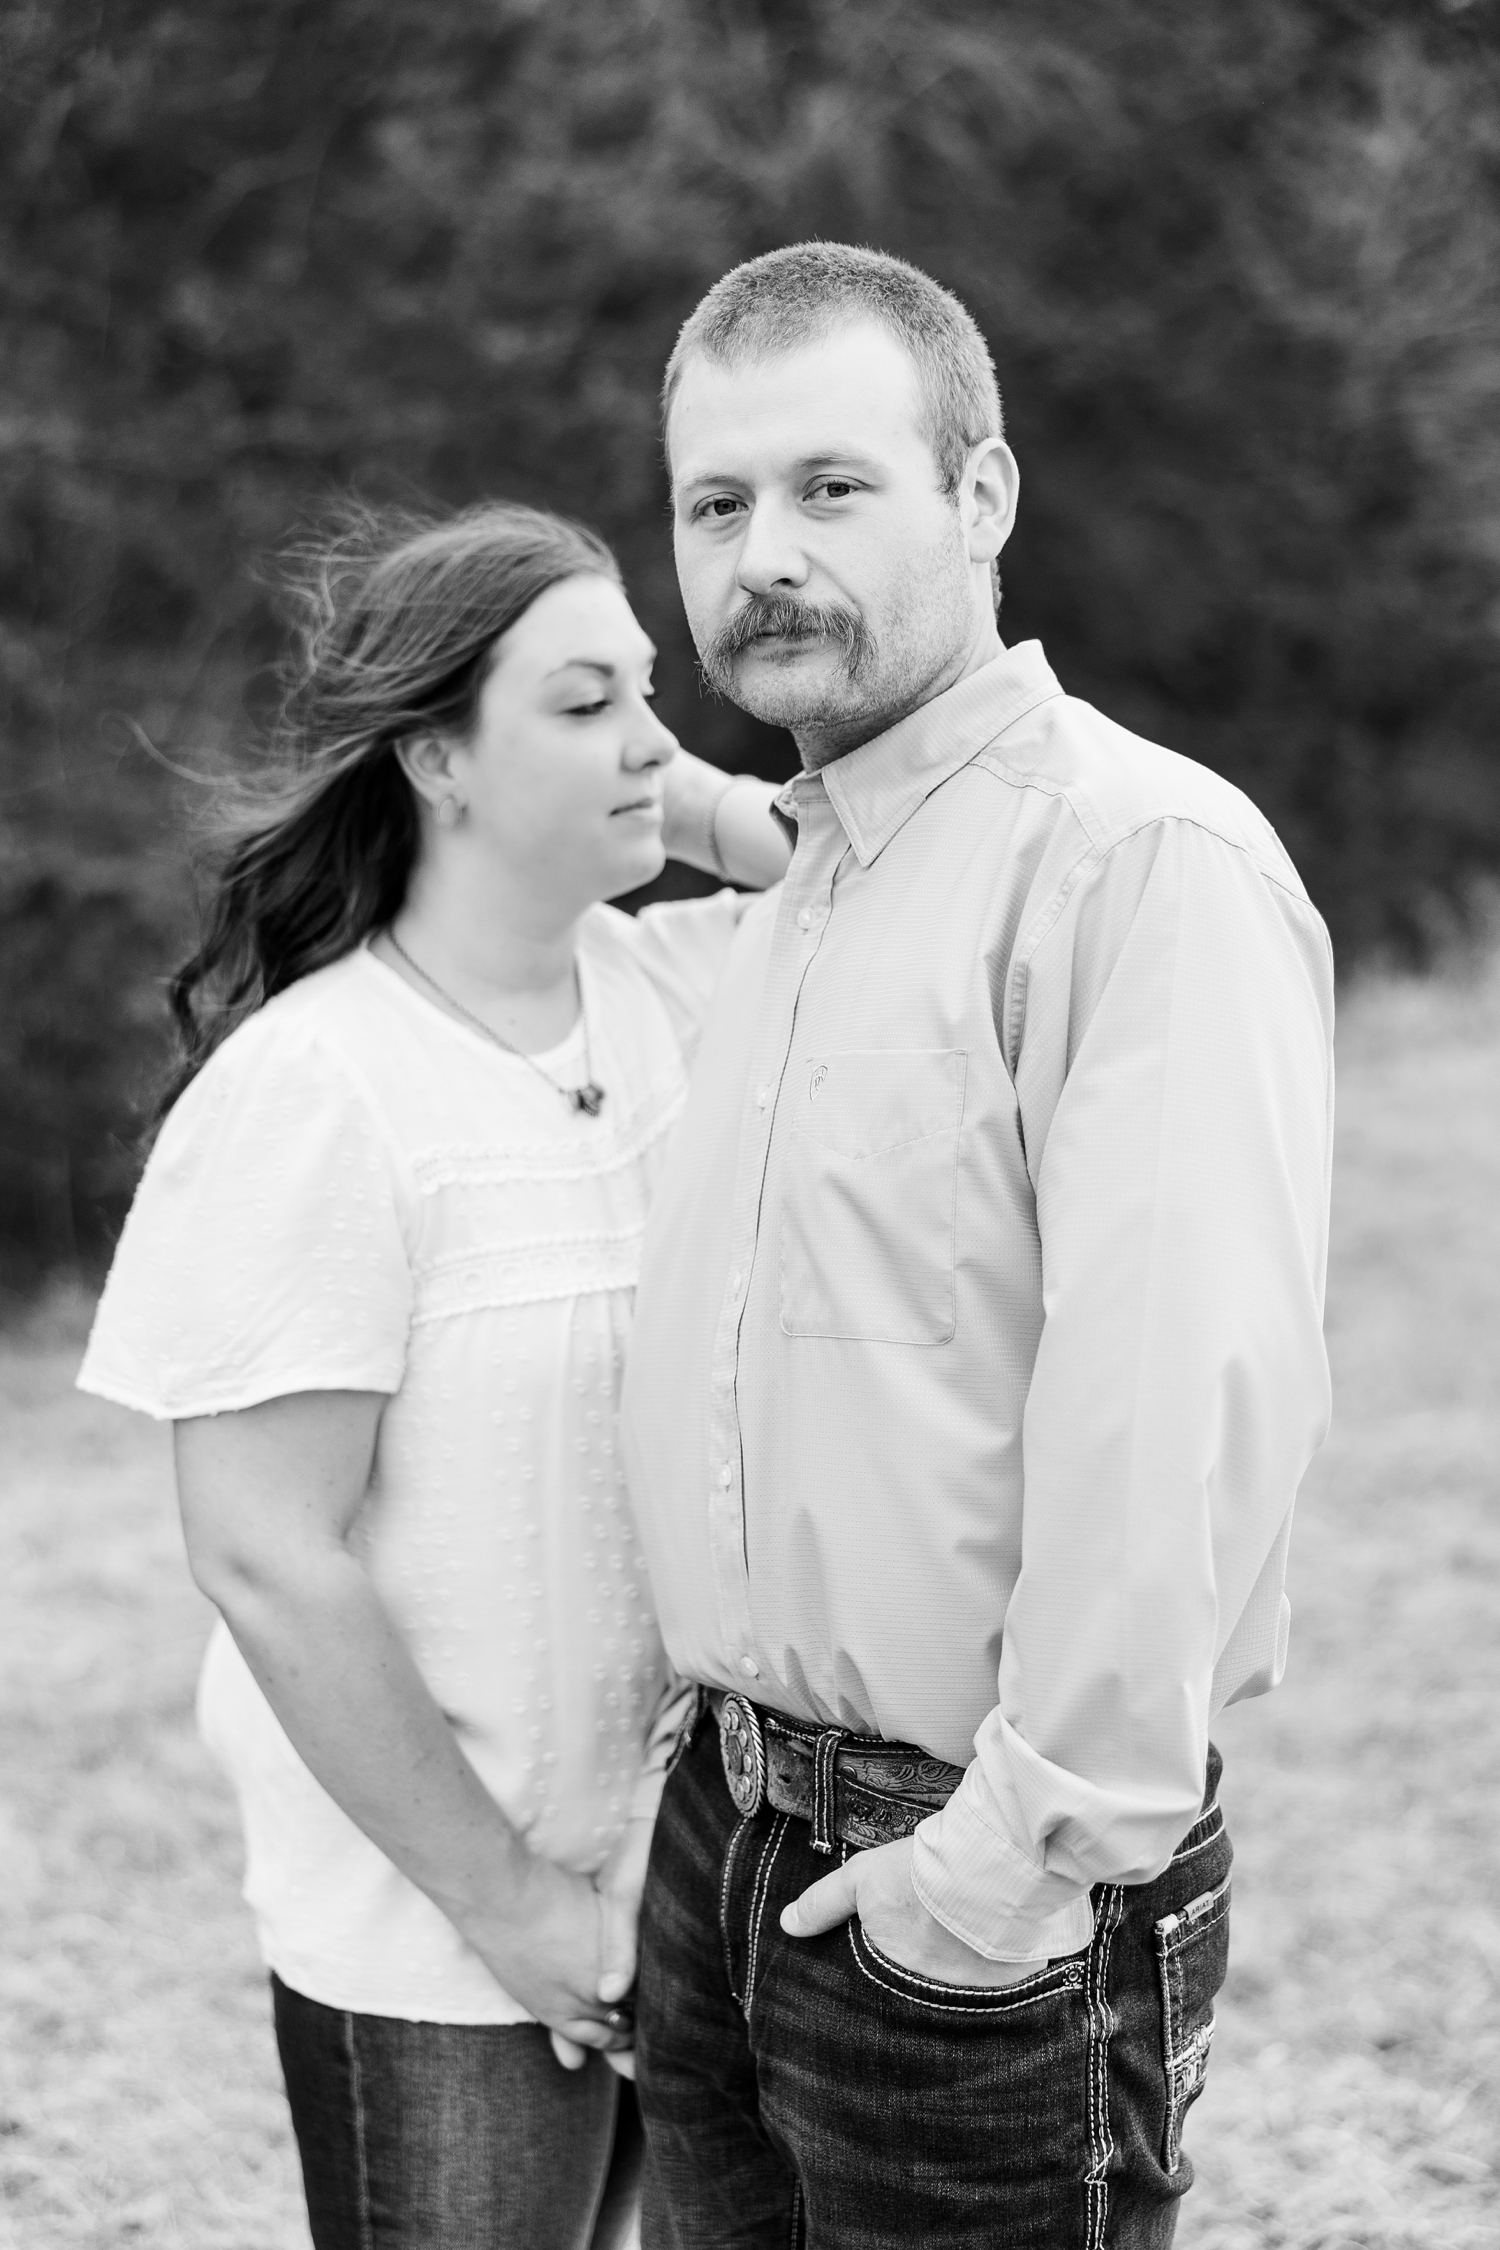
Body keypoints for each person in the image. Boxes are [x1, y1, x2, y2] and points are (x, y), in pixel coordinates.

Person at [620, 243, 1336, 2246]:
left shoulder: (1135, 865)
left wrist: (1013, 1863)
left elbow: (1178, 1412)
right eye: (716, 503)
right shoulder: (801, 891)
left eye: (831, 487)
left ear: (985, 498)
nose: (765, 554)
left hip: (976, 1891)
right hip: (725, 1855)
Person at [76, 500, 788, 2250]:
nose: (647, 734)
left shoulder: (674, 991)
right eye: (577, 702)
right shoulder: (321, 1088)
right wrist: (520, 1909)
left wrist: (670, 795)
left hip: (677, 1886)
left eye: (650, 690)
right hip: (444, 1935)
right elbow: (265, 1553)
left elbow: (888, 869)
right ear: (434, 762)